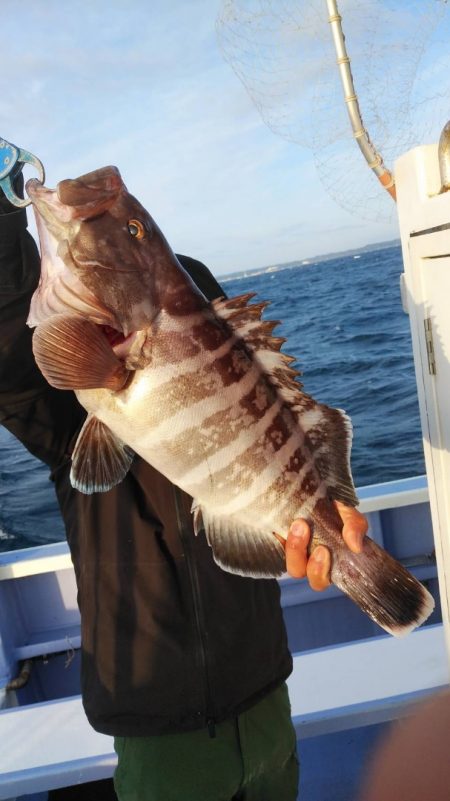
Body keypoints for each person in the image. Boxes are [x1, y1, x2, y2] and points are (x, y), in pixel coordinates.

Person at [0, 170, 367, 801]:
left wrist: (332, 520)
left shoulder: (217, 379)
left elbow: (286, 433)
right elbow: (10, 344)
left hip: (264, 688)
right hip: (155, 720)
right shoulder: (67, 417)